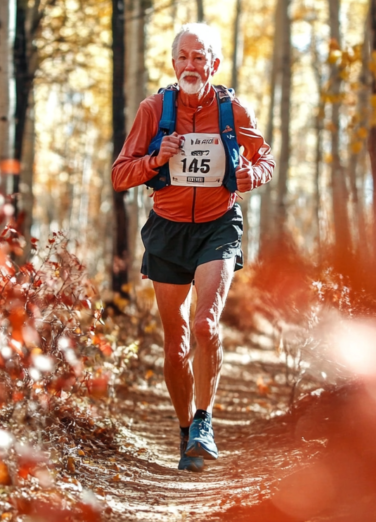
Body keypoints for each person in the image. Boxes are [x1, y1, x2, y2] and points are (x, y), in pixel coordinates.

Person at [111, 23, 275, 472]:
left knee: (205, 324)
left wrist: (252, 176)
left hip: (218, 226)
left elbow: (267, 160)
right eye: (183, 57)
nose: (190, 65)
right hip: (167, 229)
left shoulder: (232, 109)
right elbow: (120, 174)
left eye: (199, 57)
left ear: (214, 65)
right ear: (172, 63)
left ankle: (204, 421)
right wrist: (156, 158)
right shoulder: (153, 109)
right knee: (175, 344)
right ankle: (186, 432)